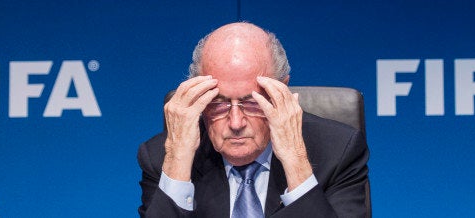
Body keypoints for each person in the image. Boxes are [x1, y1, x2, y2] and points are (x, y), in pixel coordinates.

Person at [138, 22, 370, 217]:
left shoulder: (337, 152)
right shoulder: (161, 158)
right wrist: (177, 161)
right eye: (219, 103)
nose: (236, 123)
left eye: (252, 102)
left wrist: (295, 160)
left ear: (283, 90)